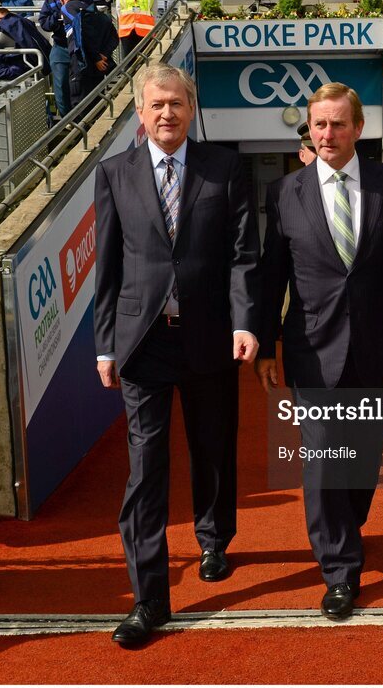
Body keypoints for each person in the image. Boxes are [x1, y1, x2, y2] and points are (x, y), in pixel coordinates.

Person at [95, 63, 259, 648]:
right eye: (156, 104)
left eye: (177, 104)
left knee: (213, 448)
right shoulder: (114, 173)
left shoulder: (226, 167)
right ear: (140, 112)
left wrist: (246, 322)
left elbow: (244, 256)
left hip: (210, 336)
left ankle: (214, 540)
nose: (167, 113)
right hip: (143, 343)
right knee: (146, 471)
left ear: (192, 110)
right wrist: (106, 343)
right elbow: (108, 267)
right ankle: (150, 598)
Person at [256, 83, 383, 622]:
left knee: (364, 456)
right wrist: (265, 345)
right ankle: (340, 570)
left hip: (378, 347)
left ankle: (347, 522)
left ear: (358, 129)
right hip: (311, 348)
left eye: (338, 124)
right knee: (324, 458)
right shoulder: (284, 193)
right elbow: (269, 274)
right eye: (319, 125)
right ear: (309, 129)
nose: (328, 134)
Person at [58, 0, 118, 112]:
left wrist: (96, 58)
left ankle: (82, 132)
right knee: (97, 101)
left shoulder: (66, 8)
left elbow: (81, 33)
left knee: (80, 103)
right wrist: (104, 54)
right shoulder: (91, 8)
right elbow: (113, 36)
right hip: (99, 63)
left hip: (81, 62)